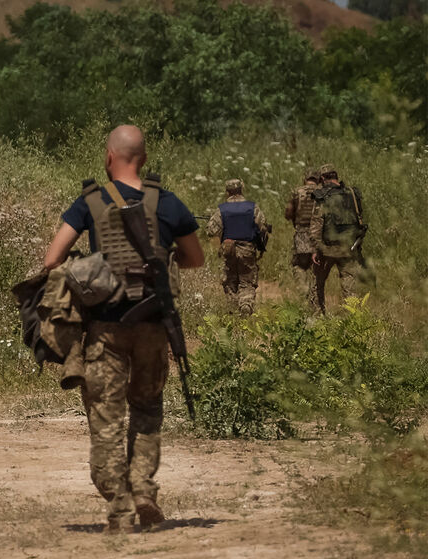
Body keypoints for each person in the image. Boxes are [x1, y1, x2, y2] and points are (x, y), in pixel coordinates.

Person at [43, 125, 203, 534]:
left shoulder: (90, 202)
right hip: (153, 326)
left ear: (109, 157)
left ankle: (119, 507)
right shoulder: (167, 204)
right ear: (144, 159)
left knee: (105, 418)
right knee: (147, 410)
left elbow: (52, 258)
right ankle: (144, 491)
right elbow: (194, 259)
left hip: (105, 329)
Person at [310, 163, 370, 313]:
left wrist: (315, 248)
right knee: (350, 287)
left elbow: (317, 224)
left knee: (317, 284)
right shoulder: (352, 194)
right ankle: (352, 320)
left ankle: (316, 319)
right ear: (336, 176)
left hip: (327, 248)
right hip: (349, 247)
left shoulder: (322, 196)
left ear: (323, 178)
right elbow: (359, 218)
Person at [206, 178, 269, 315]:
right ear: (241, 189)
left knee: (230, 281)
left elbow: (211, 230)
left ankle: (233, 308)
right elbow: (263, 228)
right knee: (247, 281)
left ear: (227, 192)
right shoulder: (253, 207)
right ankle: (245, 304)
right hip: (247, 249)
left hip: (229, 250)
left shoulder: (222, 209)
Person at [284, 167, 321, 308]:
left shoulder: (297, 192)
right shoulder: (323, 192)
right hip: (319, 235)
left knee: (299, 266)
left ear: (305, 178)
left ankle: (304, 293)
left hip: (302, 234)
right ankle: (315, 299)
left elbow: (288, 213)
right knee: (317, 269)